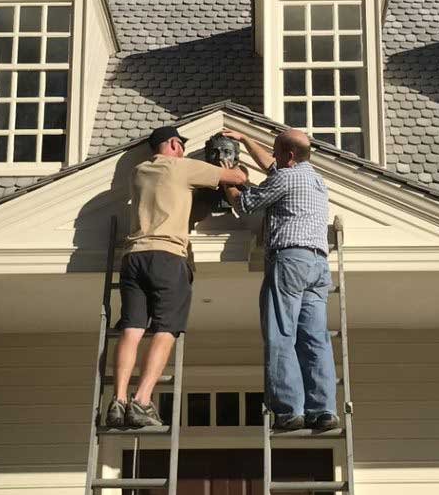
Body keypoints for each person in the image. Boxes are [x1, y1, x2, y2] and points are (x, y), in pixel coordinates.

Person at [106, 125, 248, 428]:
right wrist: (227, 167)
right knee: (165, 329)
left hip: (133, 256)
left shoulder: (139, 172)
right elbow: (236, 179)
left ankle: (118, 400)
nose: (183, 150)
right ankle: (142, 401)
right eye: (180, 145)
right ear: (172, 144)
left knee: (131, 329)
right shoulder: (181, 168)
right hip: (167, 257)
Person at [222, 128, 339, 432]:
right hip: (318, 266)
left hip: (291, 261)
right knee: (315, 339)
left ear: (288, 155)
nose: (271, 156)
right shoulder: (312, 177)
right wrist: (245, 140)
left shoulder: (285, 179)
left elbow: (245, 205)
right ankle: (323, 410)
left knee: (281, 334)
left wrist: (228, 180)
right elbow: (271, 167)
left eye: (276, 151)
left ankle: (289, 411)